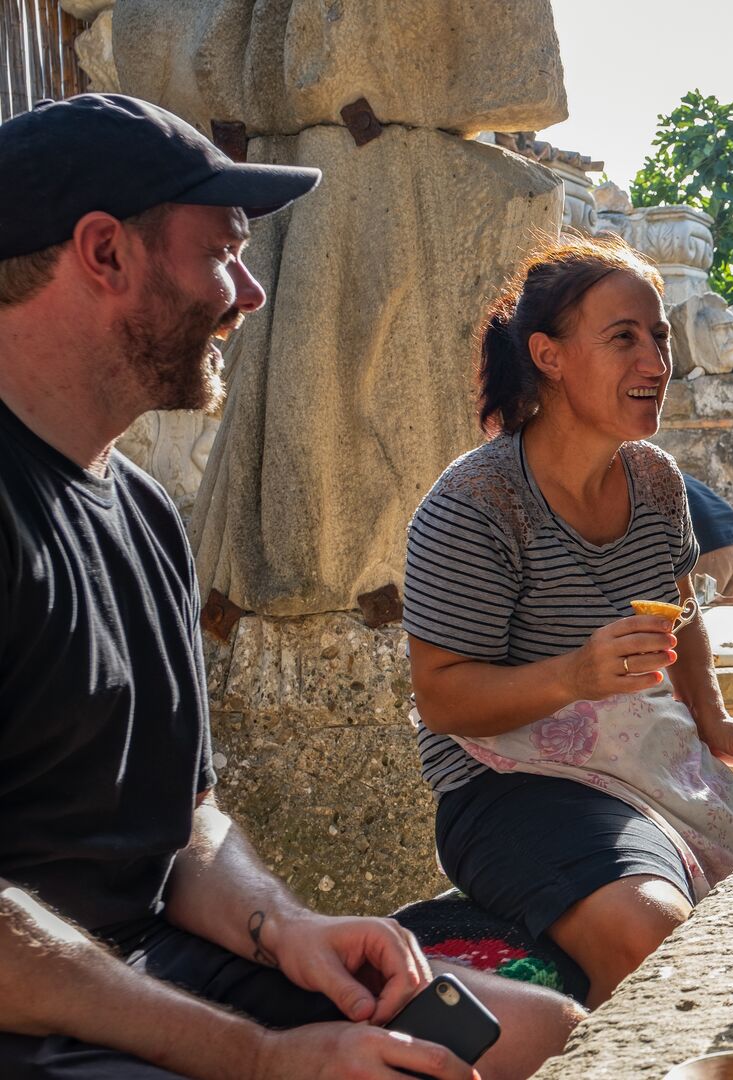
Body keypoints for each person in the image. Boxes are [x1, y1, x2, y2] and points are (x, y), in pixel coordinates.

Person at [0, 94, 579, 1080]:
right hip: (30, 1015)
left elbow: (186, 819)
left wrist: (286, 929)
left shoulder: (141, 514)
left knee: (543, 1034)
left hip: (148, 973)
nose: (250, 292)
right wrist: (262, 1058)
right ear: (104, 254)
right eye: (222, 250)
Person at [403, 236, 733, 1008]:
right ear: (548, 356)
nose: (656, 361)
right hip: (507, 787)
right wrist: (574, 675)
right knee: (652, 931)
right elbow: (442, 699)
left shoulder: (655, 482)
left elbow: (681, 613)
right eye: (623, 338)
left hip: (646, 755)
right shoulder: (475, 505)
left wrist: (714, 719)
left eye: (658, 336)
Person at [684, 474, 733, 596]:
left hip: (712, 546)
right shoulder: (673, 471)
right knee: (728, 612)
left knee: (695, 610)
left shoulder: (646, 479)